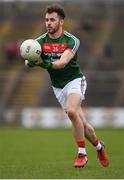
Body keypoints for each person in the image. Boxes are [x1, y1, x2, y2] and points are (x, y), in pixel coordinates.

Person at [24, 4, 109, 168]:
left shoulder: (71, 40)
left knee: (71, 111)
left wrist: (42, 63)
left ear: (61, 22)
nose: (48, 23)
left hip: (75, 80)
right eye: (46, 20)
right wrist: (31, 61)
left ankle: (81, 154)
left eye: (52, 20)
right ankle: (99, 147)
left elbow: (62, 63)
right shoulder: (39, 42)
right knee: (82, 125)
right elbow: (29, 62)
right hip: (58, 87)